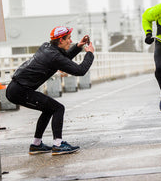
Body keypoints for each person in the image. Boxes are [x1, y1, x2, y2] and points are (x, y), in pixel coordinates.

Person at [6, 26, 95, 155]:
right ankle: (58, 145)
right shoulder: (54, 57)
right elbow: (80, 70)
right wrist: (90, 53)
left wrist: (78, 46)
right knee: (58, 108)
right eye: (68, 39)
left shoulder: (47, 47)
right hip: (20, 91)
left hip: (17, 88)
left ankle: (36, 145)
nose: (71, 41)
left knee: (48, 109)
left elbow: (63, 59)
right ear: (60, 40)